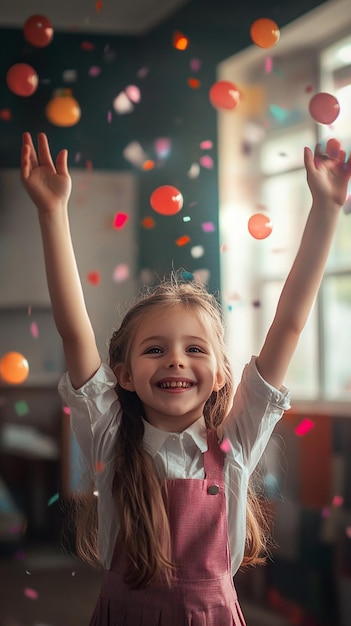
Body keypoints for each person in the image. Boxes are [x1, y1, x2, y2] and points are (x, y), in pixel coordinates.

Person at [21, 131, 351, 626]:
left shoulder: (235, 443)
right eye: (155, 350)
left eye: (194, 350)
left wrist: (326, 211)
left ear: (221, 374)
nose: (176, 361)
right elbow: (74, 329)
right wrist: (52, 212)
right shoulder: (110, 437)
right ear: (125, 375)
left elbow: (289, 323)